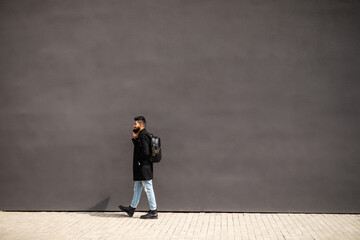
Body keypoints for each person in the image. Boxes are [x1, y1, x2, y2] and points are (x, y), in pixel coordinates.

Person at [119, 116, 158, 219]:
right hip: (142, 166)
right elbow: (140, 149)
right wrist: (135, 139)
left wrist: (140, 162)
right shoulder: (141, 135)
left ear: (140, 125)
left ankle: (153, 211)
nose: (134, 126)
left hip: (144, 167)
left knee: (148, 187)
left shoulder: (143, 135)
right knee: (138, 187)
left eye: (135, 124)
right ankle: (131, 208)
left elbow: (145, 152)